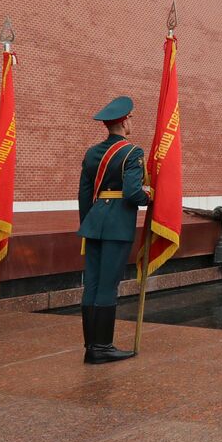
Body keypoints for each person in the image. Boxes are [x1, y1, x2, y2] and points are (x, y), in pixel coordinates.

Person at [76, 96, 150, 363]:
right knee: (108, 285)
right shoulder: (132, 153)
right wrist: (149, 196)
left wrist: (88, 221)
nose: (131, 122)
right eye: (130, 118)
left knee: (93, 285)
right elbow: (132, 193)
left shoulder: (92, 153)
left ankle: (91, 346)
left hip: (94, 222)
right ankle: (103, 348)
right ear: (124, 121)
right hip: (118, 223)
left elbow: (84, 194)